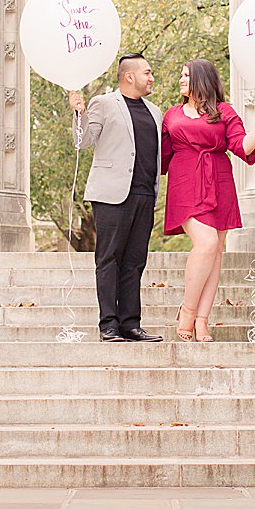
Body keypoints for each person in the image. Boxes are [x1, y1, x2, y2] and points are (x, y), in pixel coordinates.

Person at [161, 58, 255, 342]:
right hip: (185, 181)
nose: (181, 80)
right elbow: (160, 156)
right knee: (207, 242)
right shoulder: (172, 114)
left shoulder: (224, 112)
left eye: (186, 75)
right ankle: (187, 312)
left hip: (219, 180)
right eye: (181, 75)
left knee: (216, 251)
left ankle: (202, 320)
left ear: (201, 79)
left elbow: (242, 147)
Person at [69, 54, 165, 343]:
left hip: (145, 194)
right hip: (111, 195)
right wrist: (77, 114)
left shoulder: (155, 111)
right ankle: (108, 325)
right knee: (109, 259)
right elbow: (82, 141)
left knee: (135, 261)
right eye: (147, 72)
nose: (152, 78)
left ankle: (131, 324)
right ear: (129, 76)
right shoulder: (104, 103)